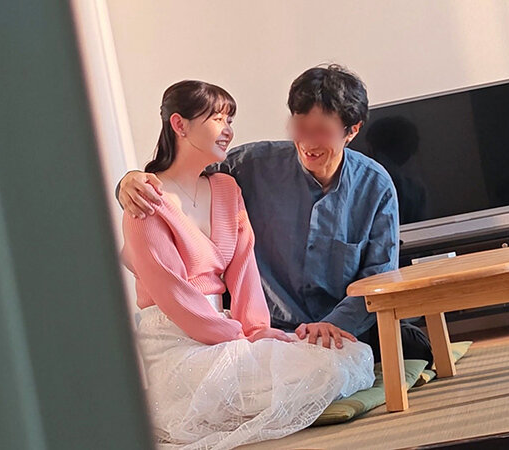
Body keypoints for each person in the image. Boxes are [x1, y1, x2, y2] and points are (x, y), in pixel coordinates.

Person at [119, 65, 433, 364]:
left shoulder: (375, 185)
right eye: (300, 127)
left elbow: (378, 276)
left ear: (352, 131)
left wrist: (333, 324)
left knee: (411, 346)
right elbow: (181, 180)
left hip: (342, 330)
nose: (308, 142)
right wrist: (129, 182)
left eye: (322, 131)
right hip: (270, 332)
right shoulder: (249, 166)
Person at [121, 80, 375, 448]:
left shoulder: (227, 188)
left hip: (228, 331)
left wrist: (257, 331)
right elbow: (175, 296)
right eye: (217, 119)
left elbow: (244, 270)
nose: (228, 130)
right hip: (175, 340)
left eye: (230, 120)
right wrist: (240, 340)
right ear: (179, 125)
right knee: (279, 380)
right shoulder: (145, 201)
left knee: (346, 358)